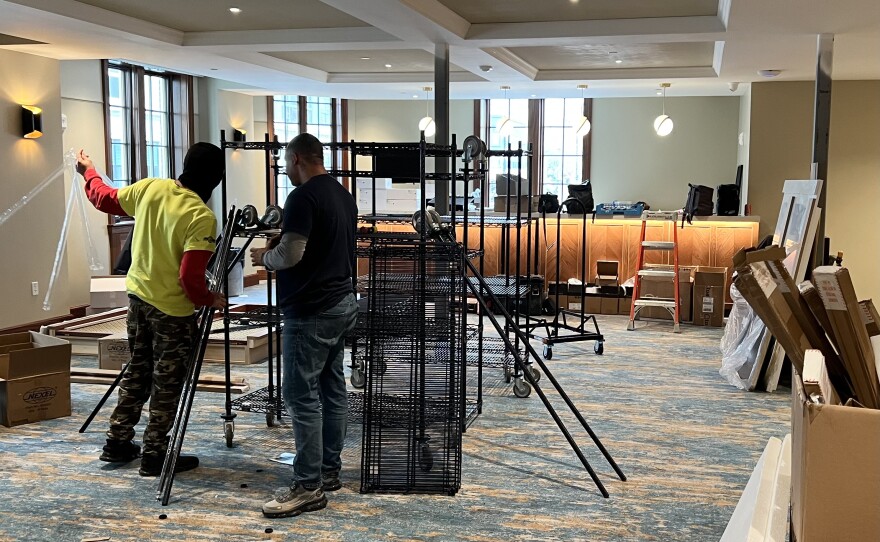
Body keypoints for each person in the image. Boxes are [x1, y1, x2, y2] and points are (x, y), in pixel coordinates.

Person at [77, 143, 227, 476]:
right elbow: (189, 277)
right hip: (172, 314)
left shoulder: (150, 188)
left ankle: (117, 442)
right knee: (167, 382)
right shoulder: (201, 217)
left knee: (137, 371)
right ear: (216, 180)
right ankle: (154, 455)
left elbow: (104, 198)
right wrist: (209, 299)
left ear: (185, 165)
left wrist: (88, 170)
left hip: (138, 303)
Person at [250, 133, 358, 518]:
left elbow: (292, 254)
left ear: (296, 158)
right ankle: (328, 471)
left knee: (300, 396)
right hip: (341, 302)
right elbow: (323, 245)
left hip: (310, 309)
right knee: (332, 388)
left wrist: (265, 255)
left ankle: (308, 486)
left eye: (285, 161)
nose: (284, 167)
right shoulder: (343, 195)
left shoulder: (302, 197)